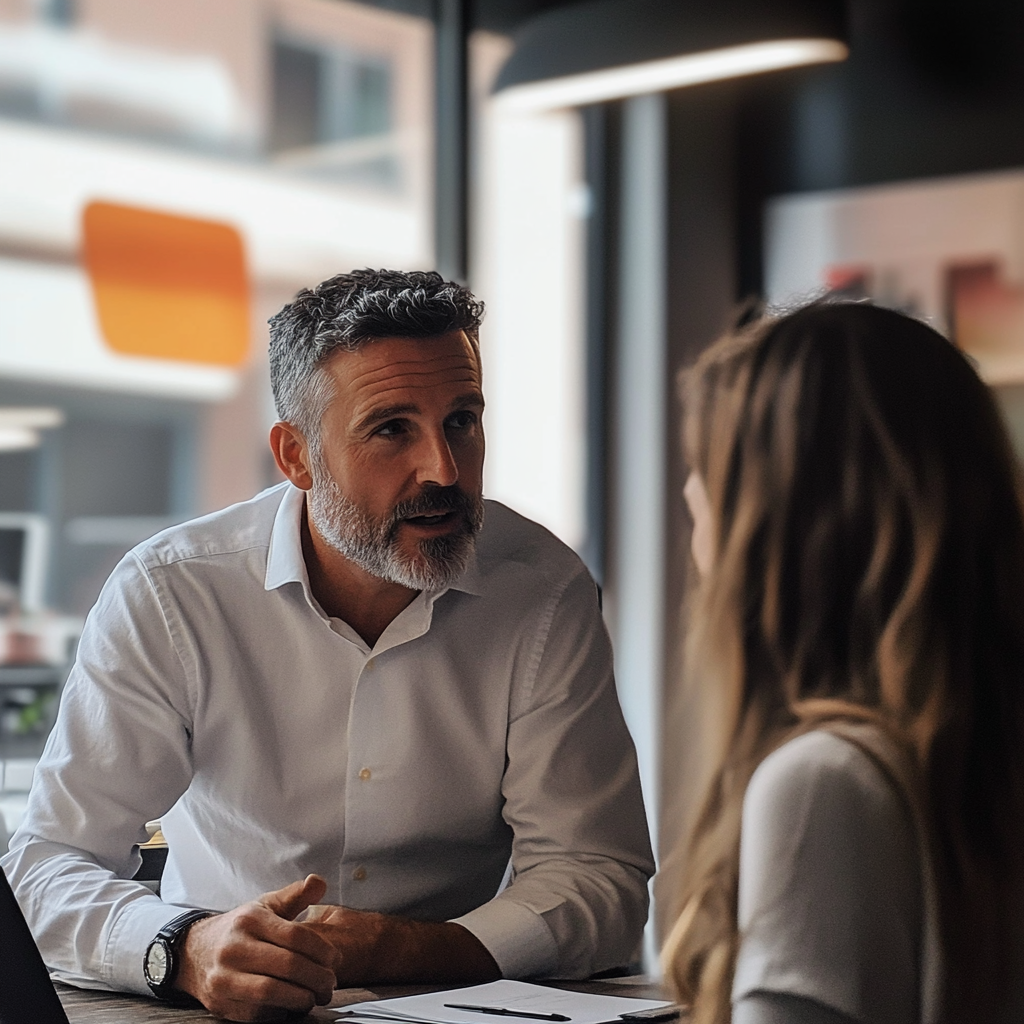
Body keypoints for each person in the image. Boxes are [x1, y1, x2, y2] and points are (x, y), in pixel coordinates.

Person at [2, 269, 653, 1022]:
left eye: (462, 420)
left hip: (455, 1003)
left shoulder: (541, 588)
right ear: (296, 456)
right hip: (210, 1007)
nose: (444, 470)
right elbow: (48, 865)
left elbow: (596, 876)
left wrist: (405, 948)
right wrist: (184, 948)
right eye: (391, 429)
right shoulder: (173, 592)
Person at [661, 301, 1024, 1024]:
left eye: (707, 469)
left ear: (776, 520)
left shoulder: (821, 785)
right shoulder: (980, 759)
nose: (688, 495)